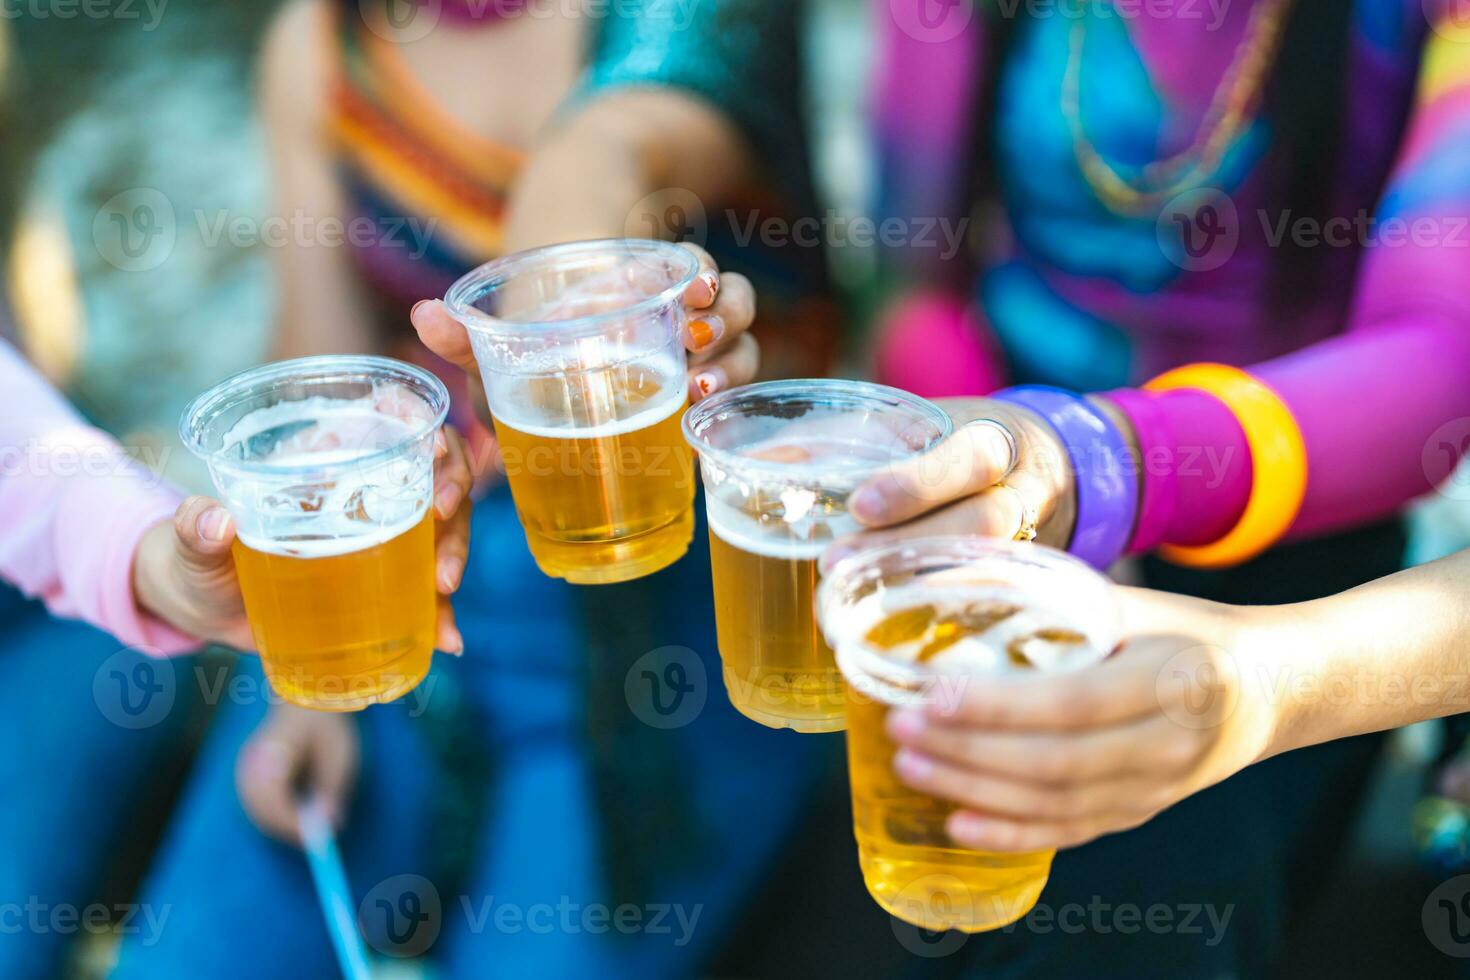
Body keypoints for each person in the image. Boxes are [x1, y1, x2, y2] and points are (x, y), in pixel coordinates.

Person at [408, 0, 1470, 971]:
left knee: (1139, 916)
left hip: (1290, 533)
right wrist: (972, 480)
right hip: (1002, 482)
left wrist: (1103, 465)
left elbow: (1440, 363)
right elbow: (917, 281)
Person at [114, 4, 829, 977]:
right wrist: (302, 694)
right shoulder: (321, 42)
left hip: (674, 625)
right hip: (400, 571)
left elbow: (607, 149)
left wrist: (552, 330)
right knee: (195, 951)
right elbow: (321, 364)